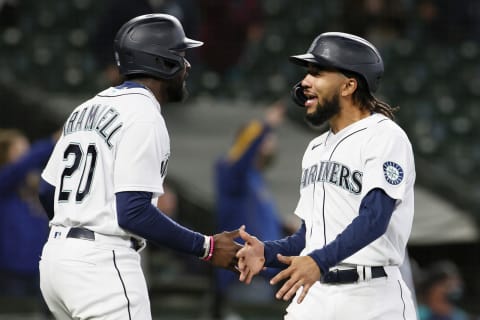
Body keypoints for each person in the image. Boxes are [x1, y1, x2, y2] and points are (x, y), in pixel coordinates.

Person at [38, 14, 241, 319]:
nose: (186, 67)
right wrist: (207, 246)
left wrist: (75, 224)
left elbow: (46, 190)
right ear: (163, 63)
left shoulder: (85, 108)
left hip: (56, 263)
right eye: (180, 56)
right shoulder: (144, 115)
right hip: (101, 264)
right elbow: (133, 212)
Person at [235, 32, 417, 319]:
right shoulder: (316, 148)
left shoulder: (384, 136)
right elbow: (310, 237)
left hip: (372, 296)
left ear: (348, 85)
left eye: (317, 73)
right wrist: (266, 253)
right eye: (308, 73)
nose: (305, 82)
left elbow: (374, 219)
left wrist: (317, 261)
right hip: (315, 294)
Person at [213, 102, 286, 317]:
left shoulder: (256, 180)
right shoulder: (230, 172)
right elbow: (240, 160)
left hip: (263, 277)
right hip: (244, 278)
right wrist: (265, 126)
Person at [0, 129, 56, 310]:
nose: (27, 152)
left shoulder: (33, 182)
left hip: (40, 268)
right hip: (12, 271)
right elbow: (20, 167)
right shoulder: (5, 179)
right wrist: (52, 141)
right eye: (21, 148)